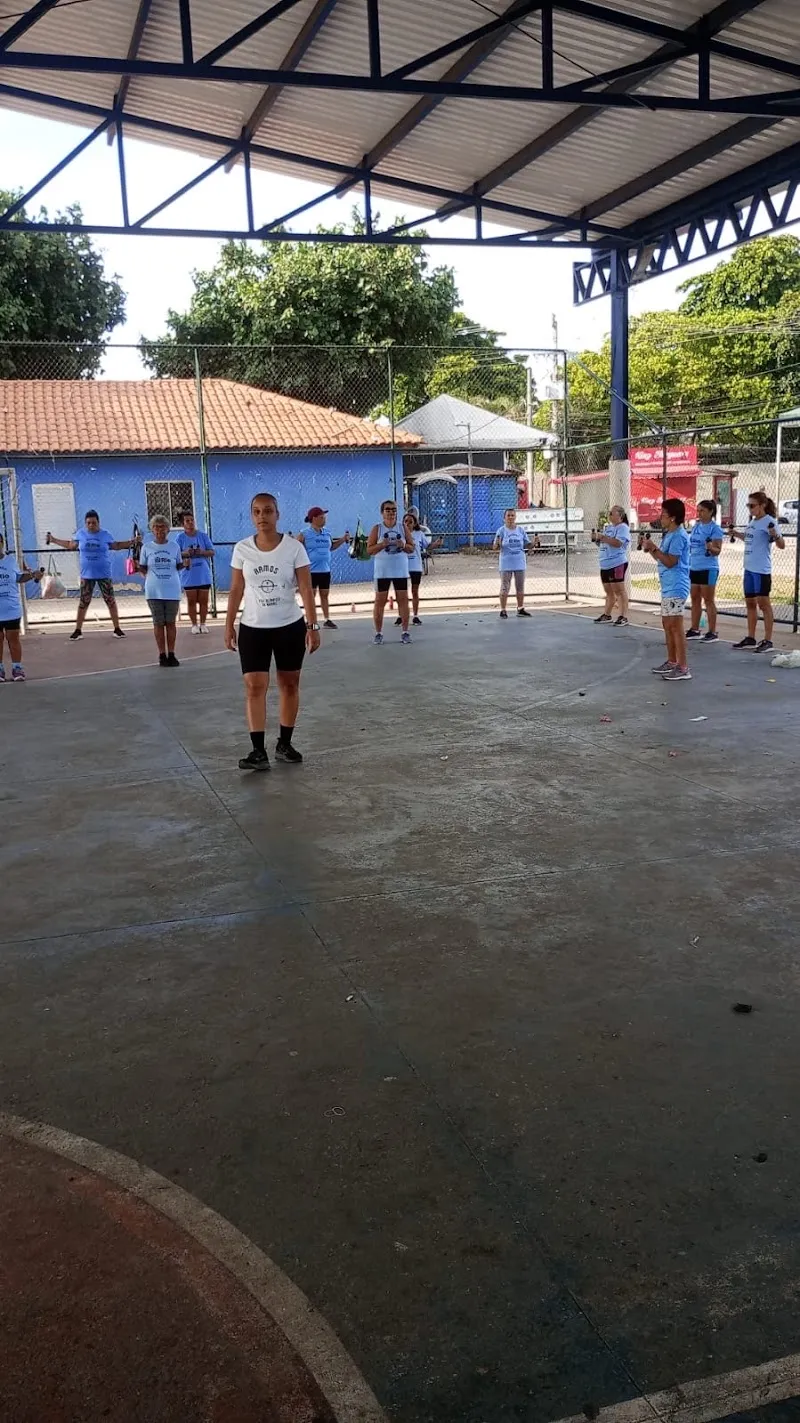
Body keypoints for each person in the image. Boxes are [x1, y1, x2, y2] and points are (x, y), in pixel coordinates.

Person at [225, 492, 320, 772]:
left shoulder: (294, 549)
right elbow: (236, 589)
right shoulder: (242, 549)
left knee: (289, 684)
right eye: (256, 511)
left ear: (277, 514)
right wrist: (229, 623)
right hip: (253, 629)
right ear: (251, 516)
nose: (262, 517)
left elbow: (305, 588)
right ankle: (257, 751)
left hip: (289, 626)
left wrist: (312, 626)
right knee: (255, 686)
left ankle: (284, 743)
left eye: (268, 511)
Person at [46, 510, 133, 640]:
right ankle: (78, 630)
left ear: (98, 522)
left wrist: (132, 542)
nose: (91, 525)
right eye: (88, 523)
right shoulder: (81, 534)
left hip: (104, 574)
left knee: (110, 601)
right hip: (87, 575)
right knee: (84, 602)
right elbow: (70, 545)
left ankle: (117, 629)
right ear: (85, 523)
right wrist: (53, 539)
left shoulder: (105, 535)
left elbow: (116, 545)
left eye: (93, 522)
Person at [729, 491, 785, 653]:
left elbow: (781, 544)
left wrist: (775, 536)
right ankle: (751, 637)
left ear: (762, 505)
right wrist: (737, 534)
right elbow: (749, 538)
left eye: (752, 506)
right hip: (749, 569)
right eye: (748, 505)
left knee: (764, 604)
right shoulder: (753, 522)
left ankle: (768, 640)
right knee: (750, 603)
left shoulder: (770, 522)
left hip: (761, 570)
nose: (750, 508)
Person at [643, 498, 691, 681]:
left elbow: (671, 561)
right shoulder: (670, 534)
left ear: (672, 517)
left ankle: (683, 666)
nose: (660, 518)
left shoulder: (678, 536)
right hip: (668, 586)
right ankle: (672, 661)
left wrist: (654, 549)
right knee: (667, 624)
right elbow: (663, 559)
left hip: (676, 585)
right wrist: (653, 550)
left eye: (663, 515)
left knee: (675, 626)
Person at [138, 514, 187, 667]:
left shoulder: (174, 547)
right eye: (156, 527)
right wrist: (137, 567)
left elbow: (178, 565)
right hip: (154, 591)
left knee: (170, 623)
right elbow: (143, 569)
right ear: (152, 530)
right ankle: (161, 654)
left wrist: (185, 563)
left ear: (168, 529)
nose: (159, 530)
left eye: (162, 527)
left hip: (172, 590)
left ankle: (171, 653)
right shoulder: (147, 547)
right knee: (158, 623)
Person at [367, 498, 414, 645]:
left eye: (394, 510)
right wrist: (382, 545)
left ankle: (405, 632)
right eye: (388, 510)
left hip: (400, 571)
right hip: (382, 572)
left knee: (403, 601)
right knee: (380, 602)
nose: (391, 513)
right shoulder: (377, 528)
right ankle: (378, 633)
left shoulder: (402, 527)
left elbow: (412, 548)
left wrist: (404, 545)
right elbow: (369, 550)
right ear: (382, 513)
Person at [296, 506, 350, 630]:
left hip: (325, 570)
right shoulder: (304, 533)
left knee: (324, 595)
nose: (324, 519)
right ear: (314, 518)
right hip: (311, 571)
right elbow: (296, 548)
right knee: (311, 596)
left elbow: (331, 547)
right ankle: (310, 620)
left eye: (324, 517)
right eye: (321, 517)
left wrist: (343, 539)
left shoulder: (327, 532)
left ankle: (327, 619)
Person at [0, 532, 43, 682]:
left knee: (13, 638)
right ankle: (0, 669)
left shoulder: (11, 561)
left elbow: (19, 577)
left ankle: (17, 668)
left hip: (11, 609)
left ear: (2, 543)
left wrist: (32, 576)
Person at [687, 499, 724, 643]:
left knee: (708, 600)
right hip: (694, 566)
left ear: (710, 512)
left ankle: (712, 631)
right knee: (695, 598)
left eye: (702, 511)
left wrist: (710, 547)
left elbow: (717, 551)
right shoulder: (696, 526)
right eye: (698, 510)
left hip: (708, 568)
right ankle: (695, 629)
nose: (699, 513)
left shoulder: (715, 529)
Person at [176, 510, 215, 634]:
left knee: (204, 600)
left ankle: (203, 623)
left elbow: (211, 551)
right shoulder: (180, 538)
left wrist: (201, 552)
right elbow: (176, 554)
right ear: (183, 524)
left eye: (192, 520)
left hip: (203, 574)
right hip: (189, 574)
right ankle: (194, 624)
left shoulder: (203, 536)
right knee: (191, 600)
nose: (191, 522)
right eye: (187, 521)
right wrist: (186, 553)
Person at [592, 506, 631, 626]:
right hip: (605, 563)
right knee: (608, 590)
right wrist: (597, 539)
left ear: (620, 515)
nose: (609, 515)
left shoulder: (623, 528)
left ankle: (623, 616)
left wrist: (603, 537)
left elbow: (618, 543)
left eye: (612, 513)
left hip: (616, 562)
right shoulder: (608, 528)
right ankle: (607, 614)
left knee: (619, 590)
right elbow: (605, 543)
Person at [493, 507, 531, 618]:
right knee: (505, 586)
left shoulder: (520, 530)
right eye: (508, 516)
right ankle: (503, 610)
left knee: (520, 586)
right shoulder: (501, 531)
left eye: (512, 515)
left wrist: (534, 543)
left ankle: (520, 608)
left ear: (515, 517)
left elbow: (527, 544)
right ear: (504, 518)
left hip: (519, 562)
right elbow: (495, 547)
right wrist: (498, 544)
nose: (510, 518)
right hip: (506, 563)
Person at [397, 511, 429, 627]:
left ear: (414, 523)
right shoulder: (399, 534)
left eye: (410, 522)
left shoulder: (419, 534)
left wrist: (437, 544)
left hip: (415, 566)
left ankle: (415, 616)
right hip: (403, 566)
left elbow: (427, 546)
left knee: (414, 591)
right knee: (402, 593)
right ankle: (401, 616)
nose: (408, 524)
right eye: (405, 521)